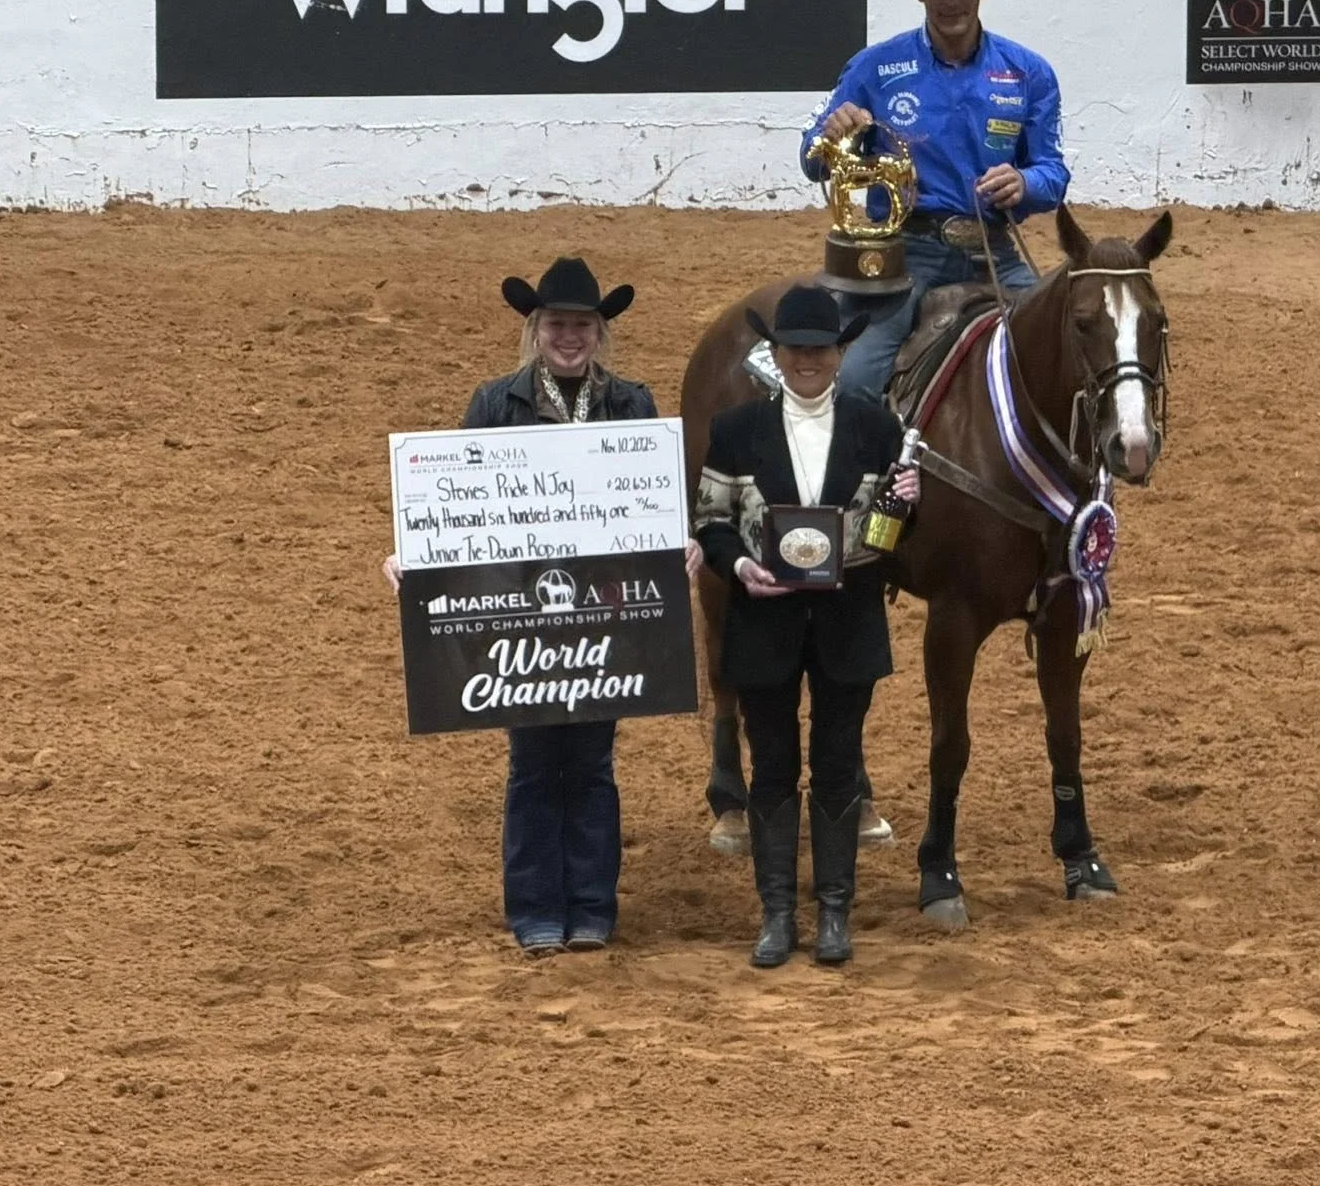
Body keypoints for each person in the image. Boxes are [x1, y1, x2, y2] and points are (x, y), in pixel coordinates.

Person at [381, 256, 701, 957]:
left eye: (581, 325)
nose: (569, 337)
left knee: (590, 761)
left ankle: (590, 906)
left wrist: (684, 544)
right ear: (536, 330)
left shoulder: (632, 406)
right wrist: (415, 559)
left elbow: (658, 505)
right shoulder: (493, 404)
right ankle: (534, 908)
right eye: (557, 324)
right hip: (516, 612)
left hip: (606, 615)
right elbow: (455, 508)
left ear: (599, 332)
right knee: (532, 762)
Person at [693, 287, 919, 967]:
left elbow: (888, 535)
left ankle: (834, 913)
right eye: (796, 349)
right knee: (771, 769)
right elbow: (711, 520)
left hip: (847, 615)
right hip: (765, 617)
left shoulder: (877, 427)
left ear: (841, 353)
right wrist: (738, 569)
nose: (808, 360)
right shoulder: (736, 431)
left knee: (839, 764)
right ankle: (776, 913)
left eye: (820, 349)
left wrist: (906, 507)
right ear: (777, 354)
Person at [800, 0, 1071, 402]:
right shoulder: (875, 68)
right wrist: (832, 133)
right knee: (858, 377)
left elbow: (1052, 171)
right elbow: (812, 158)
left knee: (1062, 349)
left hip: (994, 251)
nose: (951, 1)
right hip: (905, 253)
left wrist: (1025, 184)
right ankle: (861, 475)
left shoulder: (1029, 73)